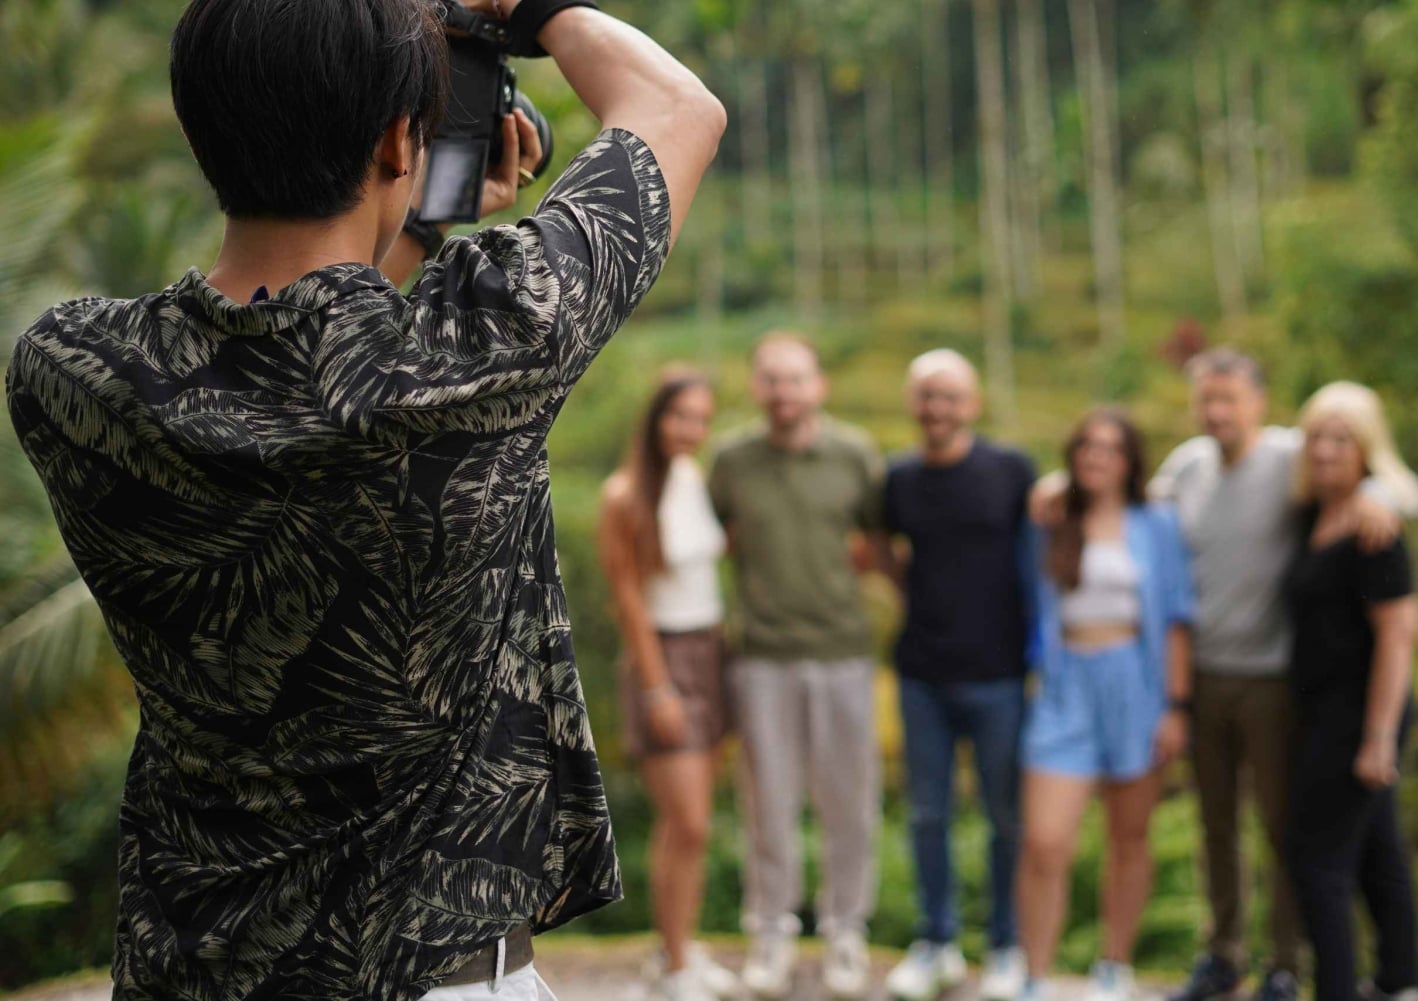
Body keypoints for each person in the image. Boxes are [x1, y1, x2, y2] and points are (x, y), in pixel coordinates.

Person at [4, 0, 725, 996]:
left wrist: (411, 217)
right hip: (432, 972)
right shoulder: (479, 346)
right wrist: (527, 12)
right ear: (398, 138)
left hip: (190, 966)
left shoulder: (70, 370)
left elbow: (289, 351)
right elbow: (676, 108)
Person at [1143, 351, 1418, 1001]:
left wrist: (1380, 492)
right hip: (1203, 675)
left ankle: (1285, 964)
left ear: (1258, 403)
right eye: (1206, 398)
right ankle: (1223, 952)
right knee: (1216, 826)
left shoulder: (1291, 454)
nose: (1217, 411)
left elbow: (1383, 471)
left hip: (1276, 682)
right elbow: (1129, 504)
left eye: (1230, 398)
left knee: (1286, 830)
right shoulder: (1186, 465)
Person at [707, 332, 885, 999]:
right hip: (762, 656)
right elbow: (711, 536)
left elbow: (875, 538)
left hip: (843, 649)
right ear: (758, 387)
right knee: (768, 802)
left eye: (796, 379)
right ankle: (772, 932)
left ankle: (845, 931)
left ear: (818, 386)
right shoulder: (730, 459)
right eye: (773, 380)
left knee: (850, 800)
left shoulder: (856, 454)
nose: (785, 392)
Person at [1016, 408, 1195, 1001]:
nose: (1097, 457)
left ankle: (1113, 965)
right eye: (1087, 445)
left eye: (1111, 449)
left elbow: (1174, 617)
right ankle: (1035, 976)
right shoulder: (1052, 517)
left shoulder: (1156, 525)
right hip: (1065, 686)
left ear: (1129, 462)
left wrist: (1174, 706)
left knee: (1129, 836)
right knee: (1045, 842)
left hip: (1136, 688)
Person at [877, 350, 1035, 1001]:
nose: (937, 408)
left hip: (1001, 672)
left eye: (950, 396)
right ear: (914, 404)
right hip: (922, 672)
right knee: (927, 814)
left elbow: (1040, 553)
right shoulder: (899, 478)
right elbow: (883, 549)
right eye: (926, 396)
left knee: (1006, 817)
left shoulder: (1012, 470)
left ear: (971, 403)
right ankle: (936, 941)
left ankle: (1006, 944)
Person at [597, 368, 738, 1001]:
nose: (693, 430)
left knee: (689, 826)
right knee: (689, 821)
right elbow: (627, 598)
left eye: (703, 418)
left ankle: (677, 948)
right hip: (666, 657)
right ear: (656, 419)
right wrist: (657, 689)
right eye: (682, 416)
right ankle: (677, 966)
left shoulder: (693, 479)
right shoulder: (624, 494)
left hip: (713, 651)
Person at [1282, 382, 1418, 1001]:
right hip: (1322, 710)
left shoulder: (1375, 527)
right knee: (1376, 851)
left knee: (1315, 860)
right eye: (1316, 436)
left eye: (1341, 438)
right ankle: (1398, 983)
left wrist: (1378, 738)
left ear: (1367, 449)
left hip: (1361, 714)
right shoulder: (1317, 514)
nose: (1325, 449)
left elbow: (1399, 636)